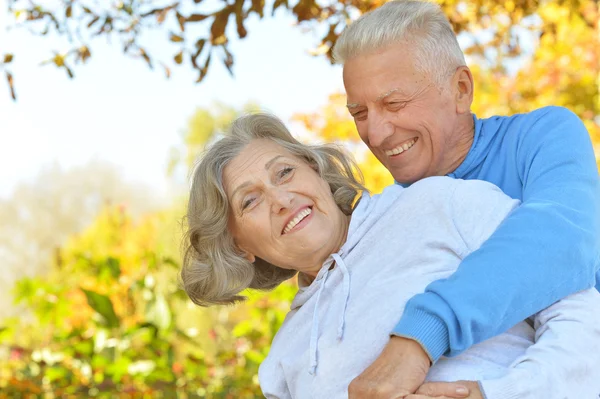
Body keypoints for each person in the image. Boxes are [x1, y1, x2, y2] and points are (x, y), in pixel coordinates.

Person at [180, 113, 600, 399]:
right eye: (250, 201)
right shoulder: (281, 363)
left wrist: (497, 394)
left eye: (285, 172)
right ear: (239, 246)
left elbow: (582, 312)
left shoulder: (437, 203)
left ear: (317, 171)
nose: (281, 199)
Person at [331, 1, 600, 397]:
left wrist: (420, 336)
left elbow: (564, 238)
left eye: (394, 104)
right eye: (359, 113)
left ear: (460, 90)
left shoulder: (541, 135)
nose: (376, 133)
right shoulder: (385, 215)